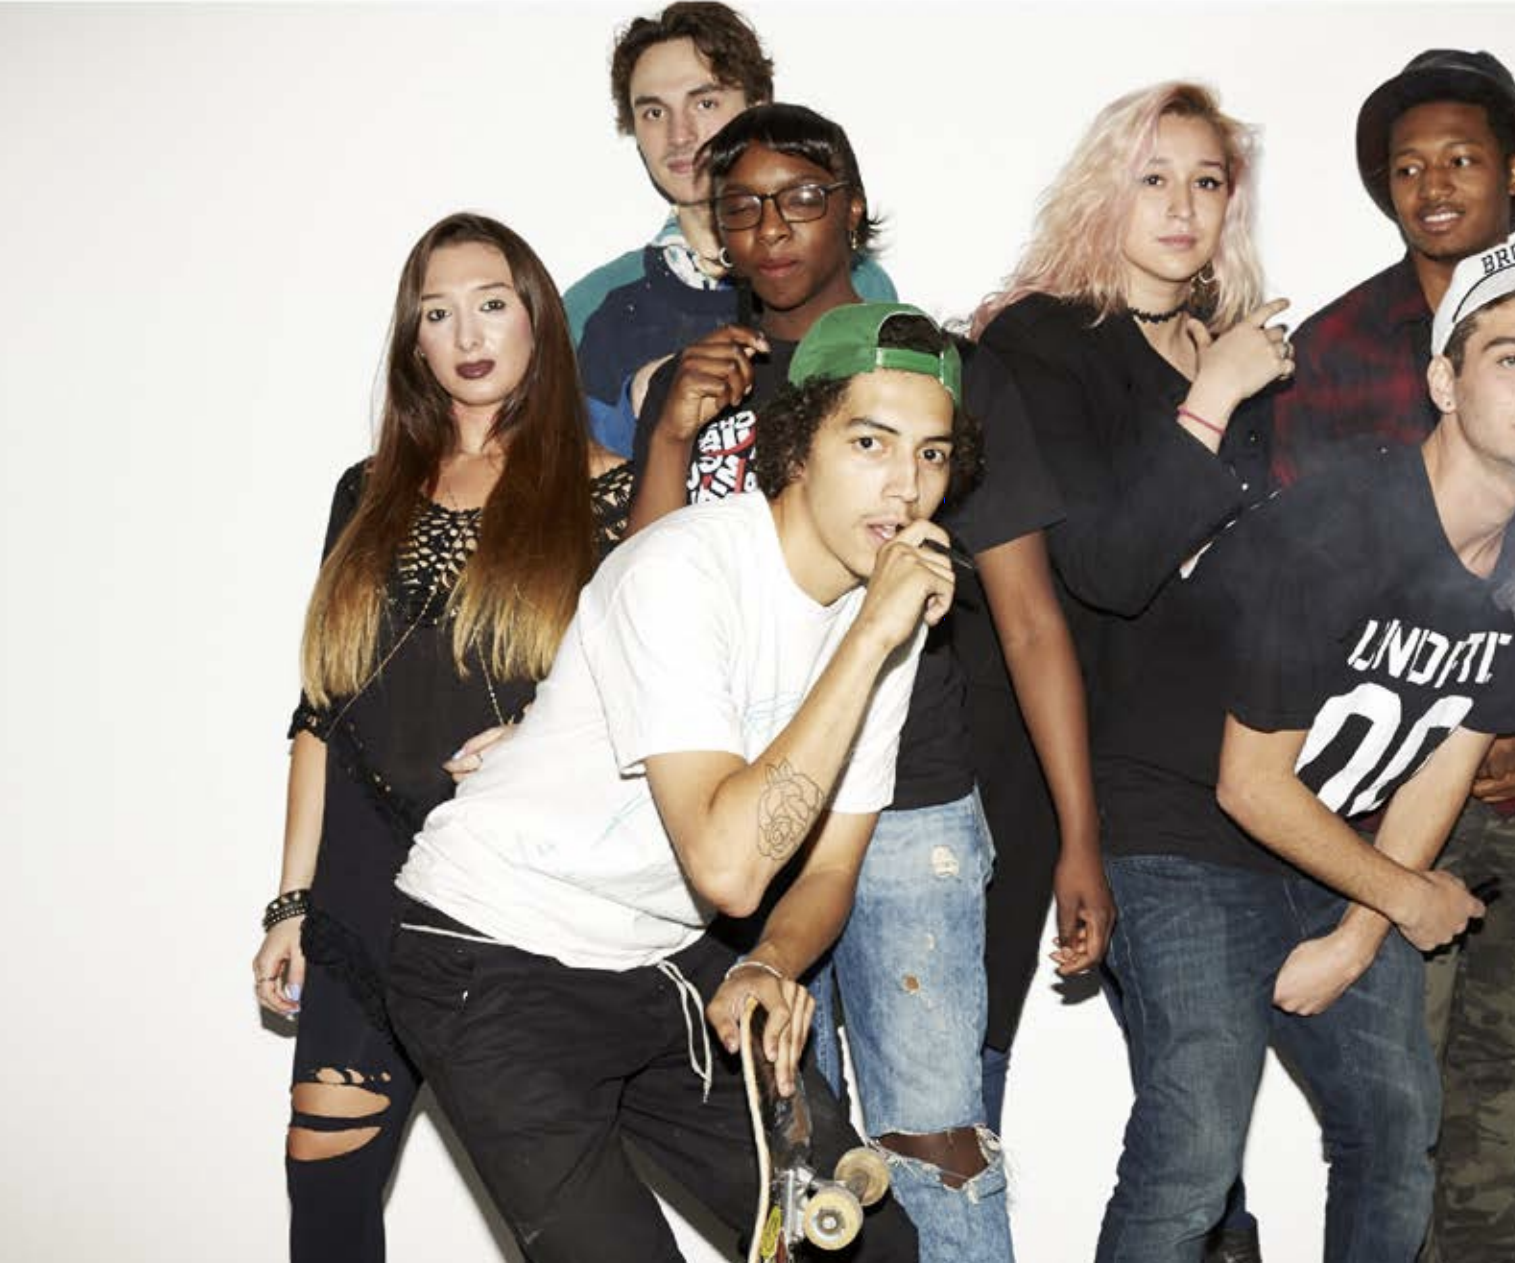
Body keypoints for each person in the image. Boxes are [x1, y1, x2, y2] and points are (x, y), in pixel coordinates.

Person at [385, 303, 976, 1262]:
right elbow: (731, 871)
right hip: (491, 949)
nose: (907, 487)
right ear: (798, 446)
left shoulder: (888, 619)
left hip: (659, 957)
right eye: (870, 443)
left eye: (933, 454)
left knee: (864, 1248)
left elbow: (832, 869)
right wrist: (871, 635)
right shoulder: (685, 569)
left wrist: (771, 961)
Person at [628, 101, 1102, 1261]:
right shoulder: (698, 383)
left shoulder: (941, 371)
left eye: (801, 198)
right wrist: (672, 436)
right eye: (742, 206)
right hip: (741, 804)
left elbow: (1030, 621)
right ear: (714, 228)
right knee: (796, 1165)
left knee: (933, 1143)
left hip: (909, 800)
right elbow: (643, 597)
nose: (772, 228)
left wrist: (1080, 834)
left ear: (851, 209)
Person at [1267, 50, 1515, 1262]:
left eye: (1462, 158)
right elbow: (1300, 565)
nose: (1433, 184)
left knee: (1497, 1068)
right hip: (1395, 791)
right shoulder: (1338, 343)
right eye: (1408, 166)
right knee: (1398, 1091)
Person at [1202, 242, 1515, 1263]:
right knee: (1192, 1151)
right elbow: (1246, 781)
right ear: (1444, 382)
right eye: (1513, 359)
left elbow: (1452, 745)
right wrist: (1403, 898)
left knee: (1400, 1130)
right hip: (1187, 840)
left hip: (1330, 846)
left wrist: (1358, 937)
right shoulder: (1342, 522)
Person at [249, 212, 633, 1261]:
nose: (466, 333)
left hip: (507, 892)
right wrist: (292, 901)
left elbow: (639, 704)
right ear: (412, 341)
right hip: (362, 886)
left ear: (537, 319)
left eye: (491, 303)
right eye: (437, 312)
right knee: (325, 1188)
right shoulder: (365, 492)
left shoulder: (606, 493)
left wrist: (537, 734)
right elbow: (323, 709)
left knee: (563, 1213)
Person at [966, 81, 1292, 1262]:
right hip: (1102, 776)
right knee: (1188, 1119)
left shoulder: (1241, 345)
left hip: (1240, 779)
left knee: (1218, 1134)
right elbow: (1101, 568)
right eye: (1153, 177)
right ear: (1104, 189)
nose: (1182, 207)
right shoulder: (1043, 344)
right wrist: (1213, 396)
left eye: (1206, 181)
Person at [563, 1, 895, 456]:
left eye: (705, 102)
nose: (680, 134)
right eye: (654, 112)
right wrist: (640, 403)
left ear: (758, 107)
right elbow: (565, 472)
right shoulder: (591, 305)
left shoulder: (851, 279)